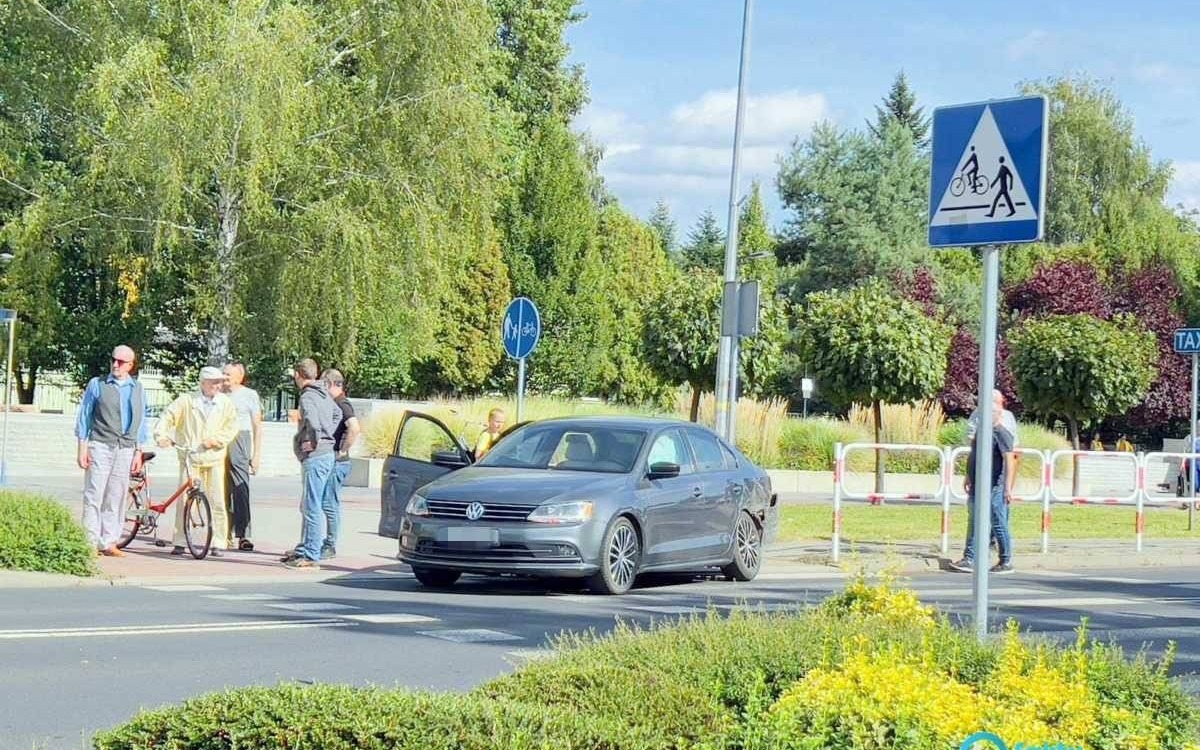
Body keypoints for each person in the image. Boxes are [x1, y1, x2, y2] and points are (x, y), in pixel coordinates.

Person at [154, 366, 239, 557]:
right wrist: (162, 436)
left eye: (219, 382)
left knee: (217, 499)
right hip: (191, 459)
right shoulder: (187, 401)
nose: (218, 385)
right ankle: (180, 540)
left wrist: (216, 440)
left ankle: (218, 541)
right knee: (185, 500)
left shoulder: (225, 403)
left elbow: (232, 427)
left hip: (214, 458)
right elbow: (167, 417)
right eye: (214, 382)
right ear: (203, 383)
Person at [75, 345, 151, 557]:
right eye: (113, 360)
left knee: (116, 495)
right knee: (94, 493)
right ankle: (89, 541)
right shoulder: (97, 384)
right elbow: (85, 417)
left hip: (126, 447)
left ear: (130, 365)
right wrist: (82, 447)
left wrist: (139, 450)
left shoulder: (138, 388)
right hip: (101, 444)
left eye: (121, 362)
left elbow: (142, 420)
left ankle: (108, 541)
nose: (115, 365)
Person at [952, 389, 1016, 575]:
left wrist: (1007, 488)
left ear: (996, 414)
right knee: (974, 520)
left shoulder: (1002, 433)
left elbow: (1009, 460)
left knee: (998, 522)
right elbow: (974, 454)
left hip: (994, 485)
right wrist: (968, 475)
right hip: (978, 483)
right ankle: (969, 558)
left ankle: (1005, 560)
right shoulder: (982, 431)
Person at [282, 358, 338, 569]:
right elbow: (337, 413)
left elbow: (313, 423)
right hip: (327, 454)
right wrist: (329, 432)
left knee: (311, 505)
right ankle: (305, 548)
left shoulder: (307, 397)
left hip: (316, 455)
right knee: (311, 503)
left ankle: (311, 554)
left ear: (298, 374)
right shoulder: (324, 393)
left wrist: (313, 441)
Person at [318, 369, 360, 560]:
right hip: (333, 459)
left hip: (338, 462)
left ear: (331, 384)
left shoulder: (342, 404)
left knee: (329, 502)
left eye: (324, 384)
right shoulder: (336, 403)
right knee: (324, 501)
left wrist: (343, 449)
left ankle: (330, 544)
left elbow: (355, 428)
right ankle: (322, 543)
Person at [223, 362, 262, 552]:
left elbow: (257, 426)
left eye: (228, 374)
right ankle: (224, 532)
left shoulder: (249, 395)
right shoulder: (219, 393)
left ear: (240, 376)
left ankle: (244, 534)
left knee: (240, 488)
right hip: (221, 438)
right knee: (221, 488)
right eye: (224, 374)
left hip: (241, 438)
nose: (225, 377)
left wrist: (256, 454)